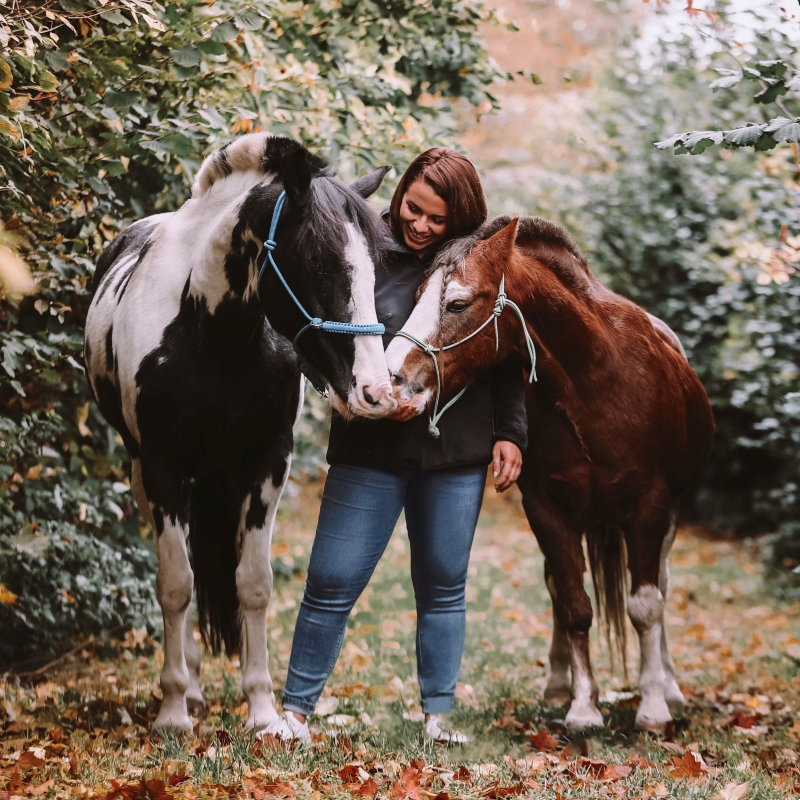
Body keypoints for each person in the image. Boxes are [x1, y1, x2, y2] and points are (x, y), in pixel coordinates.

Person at [267, 149, 528, 743]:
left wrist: (511, 432)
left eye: (438, 219)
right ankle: (294, 714)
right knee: (331, 580)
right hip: (369, 449)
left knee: (443, 582)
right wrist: (345, 392)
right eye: (414, 208)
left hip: (454, 452)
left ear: (460, 217)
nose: (421, 226)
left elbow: (503, 352)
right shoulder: (357, 247)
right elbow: (313, 337)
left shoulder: (471, 264)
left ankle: (438, 717)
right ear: (402, 189)